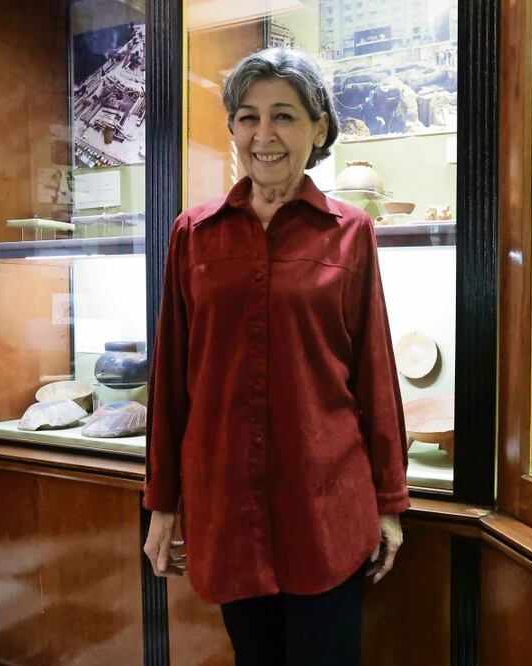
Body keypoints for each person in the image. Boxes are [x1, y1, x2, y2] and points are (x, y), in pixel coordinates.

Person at [141, 47, 409, 665]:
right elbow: (173, 380)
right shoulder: (194, 234)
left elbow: (376, 376)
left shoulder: (350, 232)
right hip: (228, 510)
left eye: (284, 116)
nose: (264, 135)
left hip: (326, 510)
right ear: (233, 128)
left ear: (319, 129)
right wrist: (161, 502)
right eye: (247, 116)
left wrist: (389, 505)